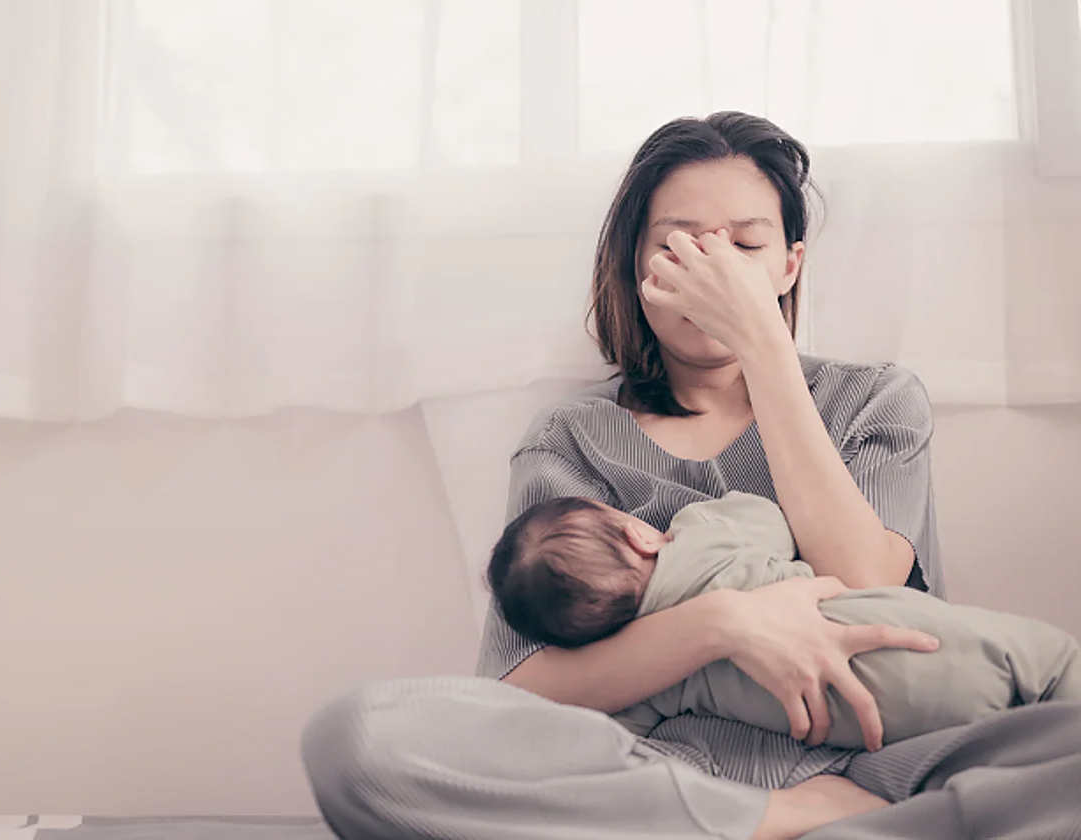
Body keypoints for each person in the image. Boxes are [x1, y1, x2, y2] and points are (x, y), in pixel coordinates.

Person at [301, 112, 1081, 839]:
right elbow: (524, 691)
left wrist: (760, 341)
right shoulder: (574, 438)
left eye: (743, 246)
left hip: (890, 765)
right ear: (638, 265)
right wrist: (726, 625)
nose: (715, 271)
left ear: (789, 264)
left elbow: (861, 573)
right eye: (681, 245)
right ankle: (776, 818)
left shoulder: (872, 398)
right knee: (359, 738)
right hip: (656, 781)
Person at [487, 490, 1081, 747]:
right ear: (638, 534)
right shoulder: (700, 535)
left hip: (901, 730)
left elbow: (611, 736)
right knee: (1054, 665)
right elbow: (769, 517)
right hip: (930, 640)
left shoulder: (650, 683)